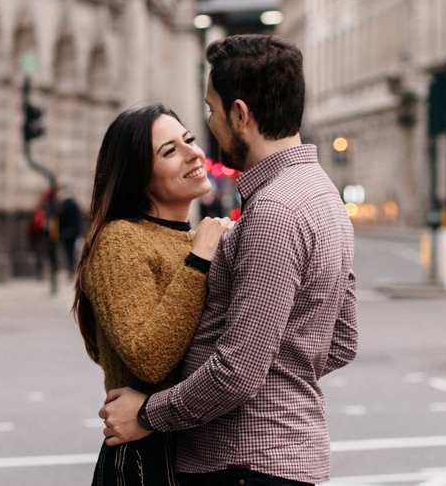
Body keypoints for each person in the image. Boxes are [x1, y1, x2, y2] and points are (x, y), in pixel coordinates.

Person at [101, 34, 358, 486]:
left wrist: (147, 414)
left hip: (240, 461)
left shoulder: (275, 212)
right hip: (276, 459)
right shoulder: (323, 195)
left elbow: (238, 372)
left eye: (211, 110)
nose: (209, 128)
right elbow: (341, 340)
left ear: (240, 115)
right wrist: (279, 371)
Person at [73, 103, 234, 486]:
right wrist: (199, 259)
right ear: (140, 176)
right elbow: (149, 358)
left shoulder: (193, 238)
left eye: (189, 140)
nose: (194, 153)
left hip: (194, 443)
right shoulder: (119, 240)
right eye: (170, 151)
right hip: (147, 457)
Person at [58, 186, 82, 273]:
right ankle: (72, 268)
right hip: (74, 231)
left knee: (68, 252)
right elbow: (78, 219)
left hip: (66, 232)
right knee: (72, 251)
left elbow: (62, 219)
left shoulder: (64, 204)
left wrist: (61, 230)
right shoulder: (74, 204)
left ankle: (70, 269)